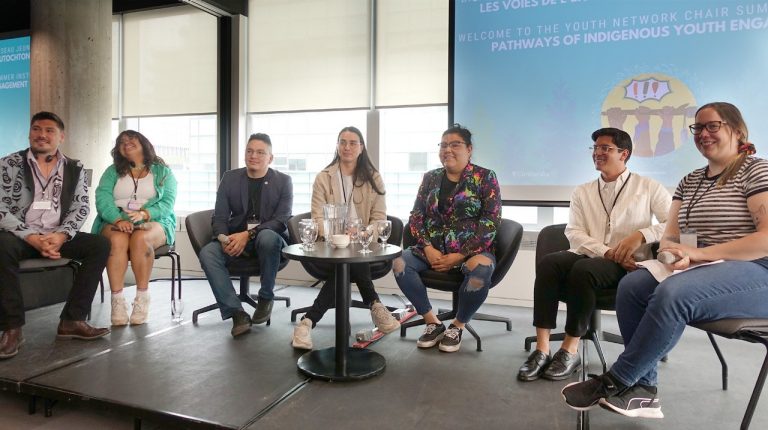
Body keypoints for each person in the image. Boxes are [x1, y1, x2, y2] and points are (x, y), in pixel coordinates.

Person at [562, 102, 768, 419]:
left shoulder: (756, 170)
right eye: (698, 128)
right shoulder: (690, 181)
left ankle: (618, 379)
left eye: (712, 126)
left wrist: (699, 254)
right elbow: (672, 237)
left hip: (757, 271)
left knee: (674, 293)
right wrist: (670, 256)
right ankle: (645, 391)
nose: (703, 133)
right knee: (632, 286)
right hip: (708, 269)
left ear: (737, 130)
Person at [518, 128, 671, 381]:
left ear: (624, 154)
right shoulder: (583, 191)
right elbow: (574, 232)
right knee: (549, 263)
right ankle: (542, 349)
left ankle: (570, 349)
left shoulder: (648, 186)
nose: (598, 153)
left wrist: (641, 235)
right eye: (595, 148)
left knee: (583, 271)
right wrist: (605, 251)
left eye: (605, 148)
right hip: (594, 254)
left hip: (628, 263)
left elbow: (672, 223)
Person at [0, 111, 110, 360]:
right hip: (20, 237)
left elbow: (81, 206)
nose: (42, 135)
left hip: (55, 236)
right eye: (37, 129)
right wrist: (31, 237)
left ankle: (72, 320)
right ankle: (12, 328)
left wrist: (62, 236)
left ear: (61, 136)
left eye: (49, 130)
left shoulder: (74, 167)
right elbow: (0, 208)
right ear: (29, 133)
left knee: (100, 244)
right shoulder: (8, 164)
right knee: (1, 245)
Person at [392, 124, 501, 353]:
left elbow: (491, 221)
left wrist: (461, 254)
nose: (447, 150)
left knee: (480, 273)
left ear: (469, 149)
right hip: (432, 248)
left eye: (455, 144)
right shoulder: (430, 177)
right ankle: (432, 321)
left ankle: (457, 325)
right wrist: (427, 247)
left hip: (471, 250)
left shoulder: (485, 177)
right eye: (443, 145)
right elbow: (416, 215)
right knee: (400, 262)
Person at [291, 126, 400, 350]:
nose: (347, 147)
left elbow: (379, 220)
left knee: (352, 259)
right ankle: (375, 305)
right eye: (343, 142)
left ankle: (307, 322)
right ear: (337, 146)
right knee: (349, 260)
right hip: (330, 245)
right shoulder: (324, 177)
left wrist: (362, 233)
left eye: (353, 143)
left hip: (362, 243)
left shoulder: (374, 178)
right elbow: (317, 217)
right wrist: (336, 235)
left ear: (361, 148)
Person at [198, 133, 292, 338]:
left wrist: (247, 235)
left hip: (268, 240)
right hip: (234, 238)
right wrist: (224, 239)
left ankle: (266, 298)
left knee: (267, 236)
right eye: (249, 151)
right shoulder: (230, 178)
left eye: (260, 152)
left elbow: (281, 220)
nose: (253, 156)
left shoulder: (283, 181)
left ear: (270, 158)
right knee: (208, 253)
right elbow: (220, 216)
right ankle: (236, 312)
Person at [92, 130, 177, 326]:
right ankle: (118, 301)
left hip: (155, 220)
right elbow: (102, 197)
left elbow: (168, 202)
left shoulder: (163, 172)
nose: (126, 143)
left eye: (131, 139)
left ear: (143, 143)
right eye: (121, 141)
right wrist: (117, 219)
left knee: (140, 239)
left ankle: (142, 298)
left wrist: (145, 214)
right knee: (116, 240)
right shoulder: (111, 171)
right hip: (116, 221)